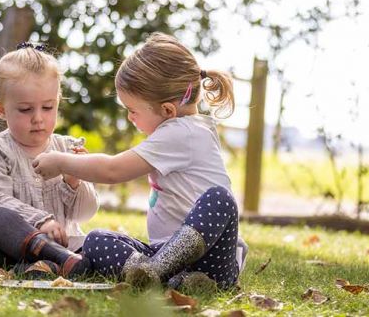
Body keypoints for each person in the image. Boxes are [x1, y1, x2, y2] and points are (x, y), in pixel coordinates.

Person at [33, 33, 248, 290]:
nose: (130, 117)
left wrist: (61, 162)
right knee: (95, 240)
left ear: (168, 110)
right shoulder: (191, 128)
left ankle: (156, 272)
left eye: (133, 110)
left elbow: (113, 170)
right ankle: (167, 279)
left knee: (219, 199)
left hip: (213, 261)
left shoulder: (181, 132)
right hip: (168, 253)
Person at [0, 42, 98, 279]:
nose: (38, 118)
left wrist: (74, 181)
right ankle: (54, 260)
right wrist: (41, 221)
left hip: (63, 245)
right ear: (1, 109)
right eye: (26, 109)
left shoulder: (67, 149)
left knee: (97, 241)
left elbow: (85, 214)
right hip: (4, 247)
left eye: (48, 107)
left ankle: (47, 264)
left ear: (57, 102)